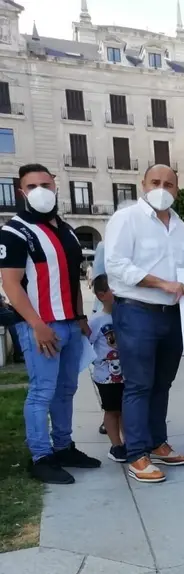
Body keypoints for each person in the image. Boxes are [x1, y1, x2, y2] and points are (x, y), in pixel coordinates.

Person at [0, 163, 100, 484]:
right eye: (32, 186)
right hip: (41, 325)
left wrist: (81, 317)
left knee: (67, 389)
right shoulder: (14, 231)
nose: (40, 190)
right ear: (22, 192)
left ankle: (63, 446)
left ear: (56, 186)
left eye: (46, 183)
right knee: (42, 392)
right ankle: (41, 457)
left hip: (70, 323)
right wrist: (37, 325)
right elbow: (11, 285)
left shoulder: (66, 229)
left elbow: (71, 279)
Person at [105, 164, 184, 483]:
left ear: (177, 189)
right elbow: (115, 265)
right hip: (137, 311)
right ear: (143, 184)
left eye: (169, 184)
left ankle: (158, 443)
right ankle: (136, 454)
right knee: (139, 384)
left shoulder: (181, 227)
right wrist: (161, 284)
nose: (162, 188)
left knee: (162, 384)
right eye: (155, 182)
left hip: (171, 316)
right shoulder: (126, 219)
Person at [89, 274, 126, 462]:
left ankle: (129, 442)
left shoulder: (128, 316)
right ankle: (116, 445)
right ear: (102, 295)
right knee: (112, 410)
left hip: (128, 374)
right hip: (106, 376)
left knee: (127, 409)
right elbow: (87, 344)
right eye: (115, 291)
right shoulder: (96, 321)